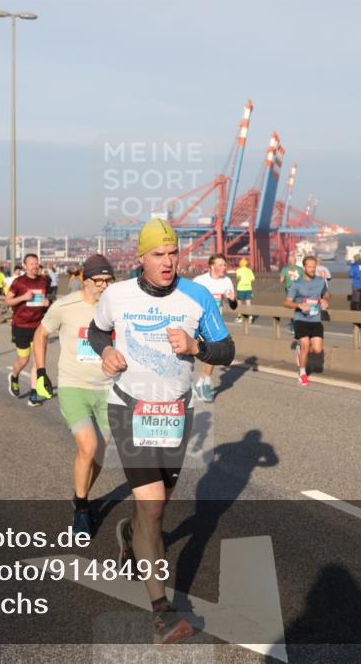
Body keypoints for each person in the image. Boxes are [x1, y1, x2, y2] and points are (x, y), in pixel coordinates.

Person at [88, 218, 234, 644]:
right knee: (151, 506)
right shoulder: (117, 295)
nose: (168, 262)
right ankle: (162, 611)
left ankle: (132, 536)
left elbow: (226, 348)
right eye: (158, 255)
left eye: (173, 253)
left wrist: (197, 348)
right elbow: (98, 332)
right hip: (128, 409)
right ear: (141, 259)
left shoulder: (197, 296)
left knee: (158, 506)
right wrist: (108, 350)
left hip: (175, 412)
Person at [32, 254, 115, 534]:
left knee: (101, 454)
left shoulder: (115, 307)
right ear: (84, 279)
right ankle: (81, 509)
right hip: (73, 386)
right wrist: (41, 371)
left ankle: (81, 495)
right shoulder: (65, 306)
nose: (104, 286)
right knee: (88, 446)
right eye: (98, 280)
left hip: (108, 388)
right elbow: (40, 334)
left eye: (108, 280)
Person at [5, 254, 51, 404]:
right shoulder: (19, 282)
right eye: (31, 263)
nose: (34, 266)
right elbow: (8, 302)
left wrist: (47, 302)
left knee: (38, 362)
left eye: (36, 263)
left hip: (38, 327)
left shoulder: (45, 280)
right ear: (25, 266)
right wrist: (23, 297)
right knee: (24, 360)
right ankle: (14, 376)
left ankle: (33, 394)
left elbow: (47, 298)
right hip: (21, 326)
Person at [191, 254, 238, 401]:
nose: (224, 267)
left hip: (215, 324)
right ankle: (200, 383)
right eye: (220, 265)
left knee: (213, 352)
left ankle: (204, 383)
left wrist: (232, 300)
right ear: (211, 266)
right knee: (200, 353)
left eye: (225, 265)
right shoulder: (200, 281)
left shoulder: (226, 281)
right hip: (198, 321)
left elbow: (234, 305)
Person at [283, 256, 330, 386]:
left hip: (315, 319)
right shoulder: (297, 284)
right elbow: (286, 302)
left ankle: (300, 349)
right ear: (304, 268)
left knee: (318, 350)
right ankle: (302, 374)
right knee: (305, 346)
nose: (312, 269)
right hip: (301, 319)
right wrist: (298, 305)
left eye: (314, 267)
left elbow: (326, 293)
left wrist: (325, 299)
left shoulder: (321, 281)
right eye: (310, 267)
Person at [234, 257, 255, 323]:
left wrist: (236, 282)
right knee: (248, 303)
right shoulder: (249, 270)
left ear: (240, 264)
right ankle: (250, 316)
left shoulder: (238, 270)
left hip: (240, 288)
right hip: (248, 288)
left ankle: (239, 317)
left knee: (239, 303)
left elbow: (238, 278)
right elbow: (253, 279)